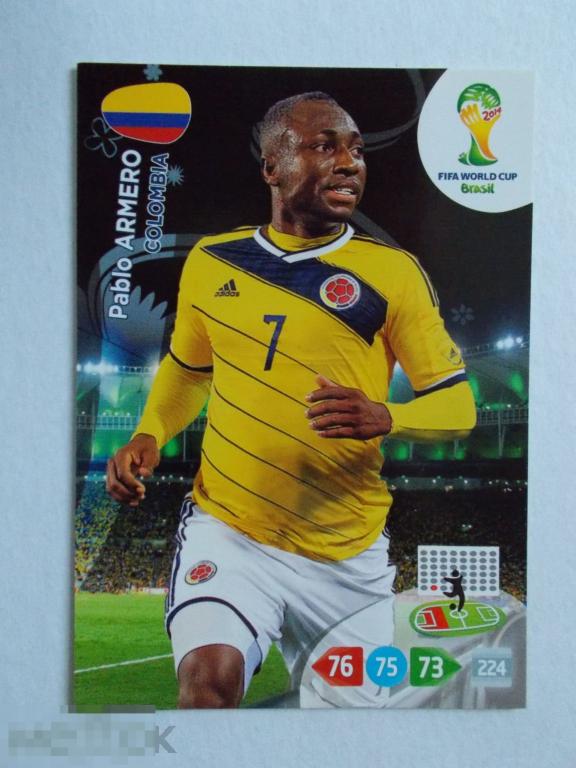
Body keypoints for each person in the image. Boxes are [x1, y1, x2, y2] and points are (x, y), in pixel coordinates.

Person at [106, 92, 476, 708]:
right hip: (231, 531)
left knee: (347, 737)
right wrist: (150, 433)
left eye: (356, 150)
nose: (349, 162)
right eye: (324, 146)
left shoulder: (394, 274)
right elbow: (189, 371)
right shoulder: (211, 261)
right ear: (272, 167)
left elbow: (458, 408)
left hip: (346, 558)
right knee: (207, 685)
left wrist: (389, 415)